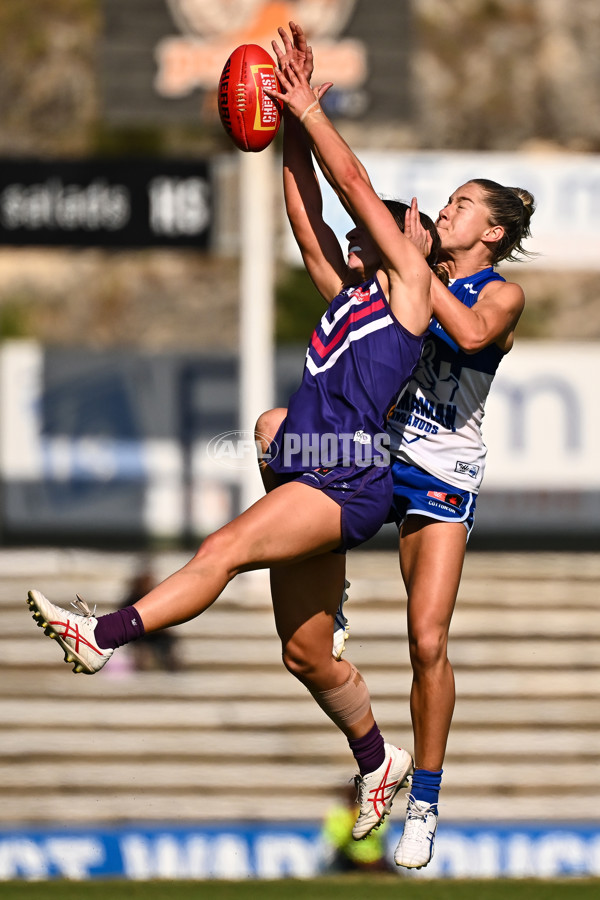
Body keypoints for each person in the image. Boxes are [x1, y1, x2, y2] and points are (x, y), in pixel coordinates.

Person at [25, 21, 441, 844]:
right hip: (314, 477)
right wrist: (288, 124)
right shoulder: (349, 297)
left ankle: (101, 636)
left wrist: (310, 108)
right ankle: (375, 758)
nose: (384, 230)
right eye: (381, 230)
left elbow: (352, 182)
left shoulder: (413, 291)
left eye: (400, 226)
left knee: (220, 549)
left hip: (346, 482)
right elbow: (309, 209)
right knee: (307, 656)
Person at [256, 21, 536, 873]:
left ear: (489, 234)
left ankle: (426, 804)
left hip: (443, 466)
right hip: (376, 456)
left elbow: (464, 326)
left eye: (460, 206)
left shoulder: (500, 293)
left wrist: (403, 259)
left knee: (425, 640)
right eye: (446, 202)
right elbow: (316, 234)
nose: (443, 210)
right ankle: (327, 592)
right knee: (273, 428)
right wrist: (289, 139)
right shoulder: (399, 283)